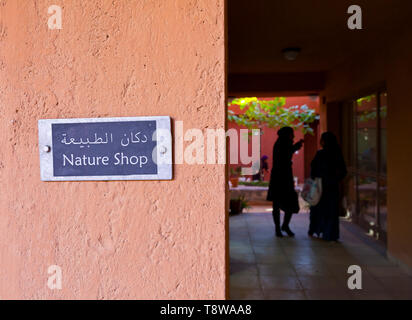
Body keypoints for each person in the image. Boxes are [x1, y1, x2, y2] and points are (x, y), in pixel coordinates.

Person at [308, 132, 347, 241]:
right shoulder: (337, 154)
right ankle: (330, 234)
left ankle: (317, 230)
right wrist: (335, 180)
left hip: (320, 187)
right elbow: (343, 171)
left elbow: (313, 170)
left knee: (319, 210)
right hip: (332, 187)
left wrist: (316, 179)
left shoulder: (320, 154)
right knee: (331, 211)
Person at [267, 127, 303, 237]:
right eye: (292, 134)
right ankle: (282, 227)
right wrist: (297, 145)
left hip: (279, 178)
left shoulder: (280, 143)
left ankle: (281, 227)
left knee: (279, 204)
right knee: (287, 203)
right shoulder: (283, 144)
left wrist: (296, 146)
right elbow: (288, 152)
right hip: (282, 178)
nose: (293, 136)